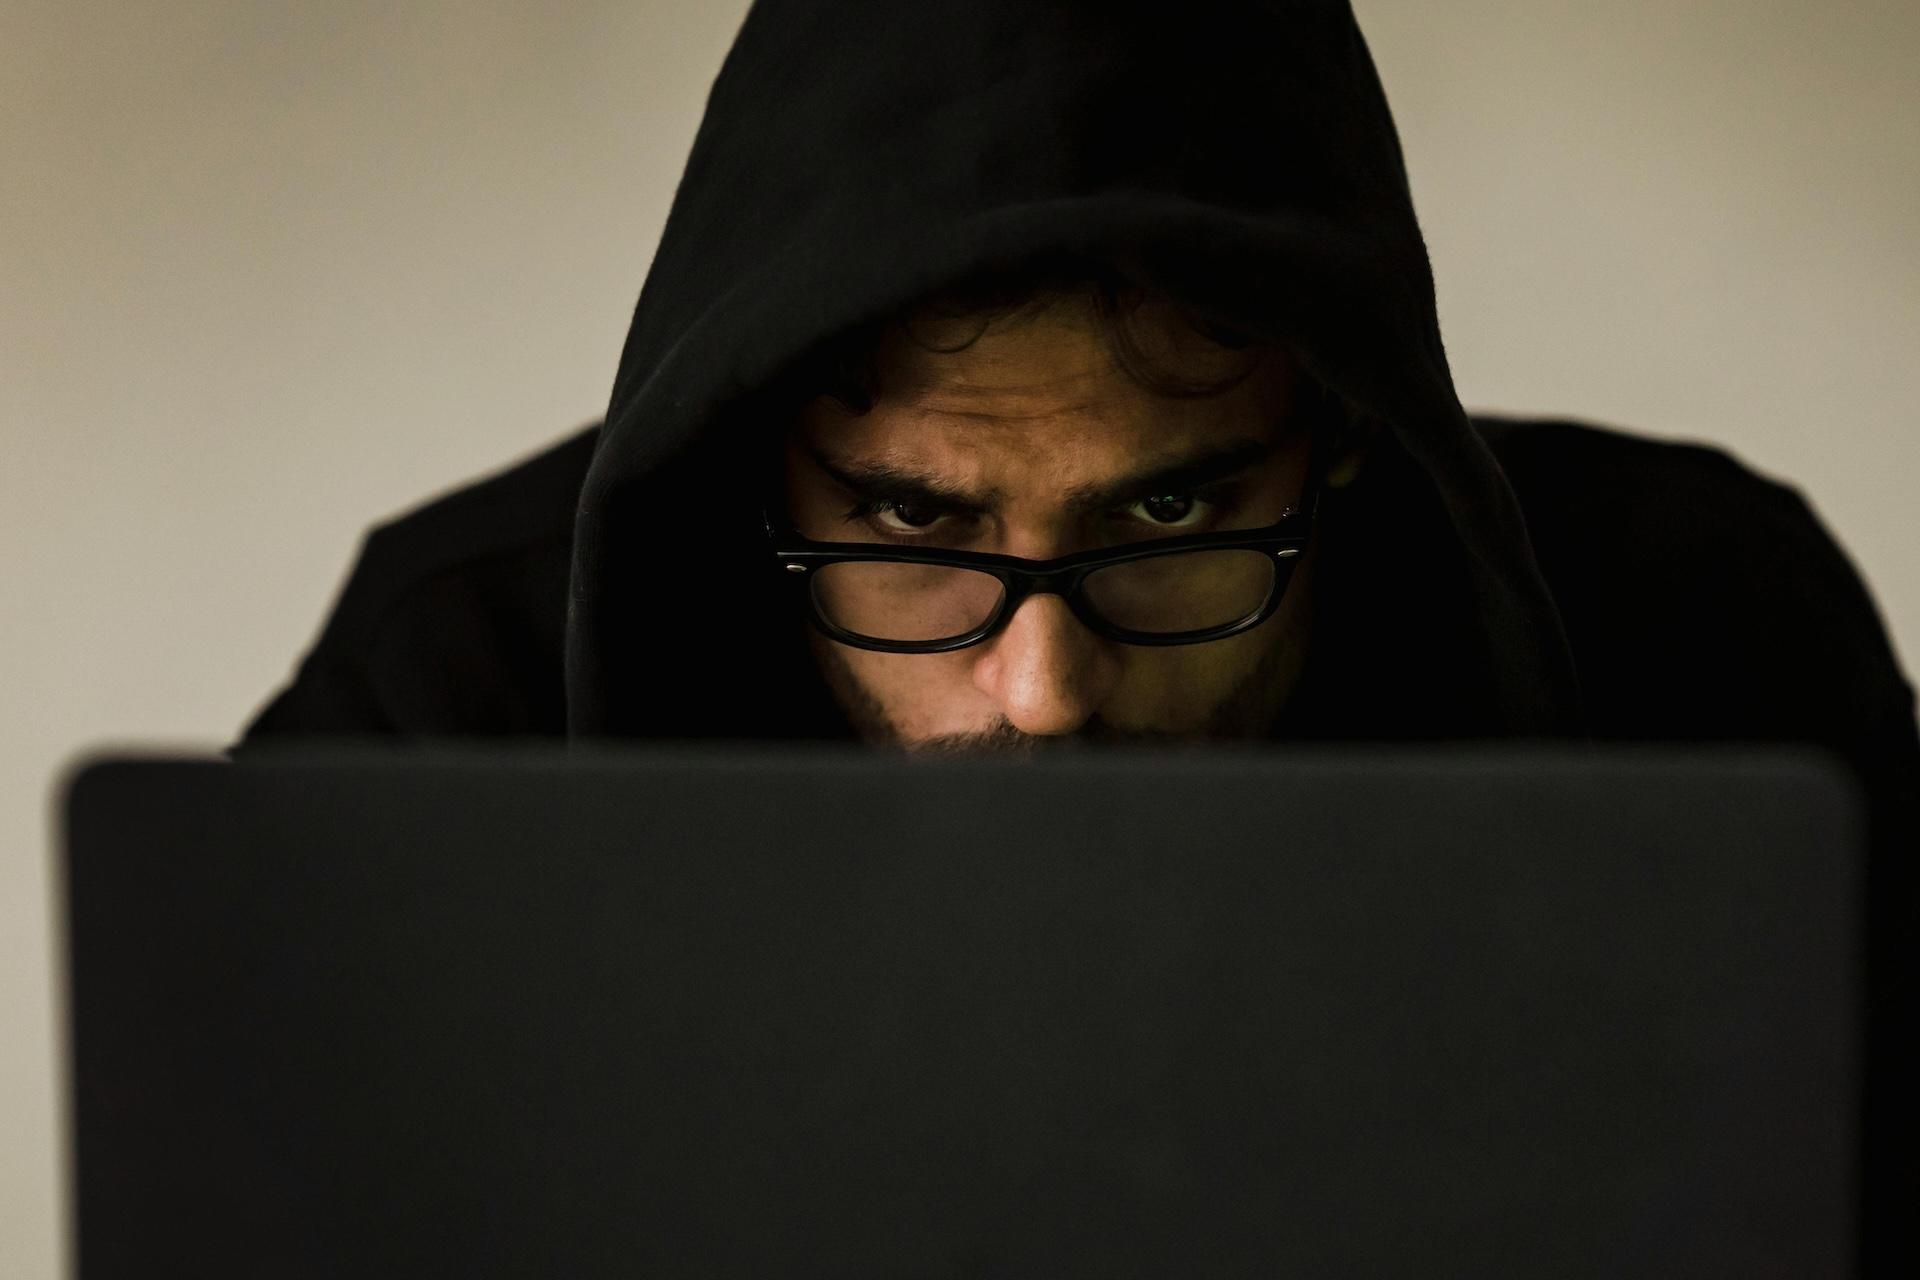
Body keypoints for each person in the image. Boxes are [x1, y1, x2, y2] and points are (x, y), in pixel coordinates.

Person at [237, 0, 1913, 1260]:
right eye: (913, 522)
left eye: (1171, 516)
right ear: (756, 465)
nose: (1044, 692)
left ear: (1344, 435)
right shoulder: (451, 703)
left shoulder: (1704, 640)